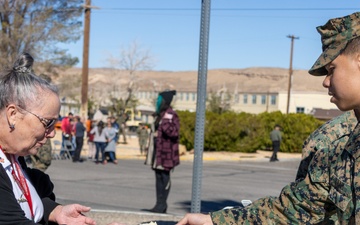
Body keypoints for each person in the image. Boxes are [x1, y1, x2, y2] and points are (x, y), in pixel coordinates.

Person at [176, 12, 360, 225]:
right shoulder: (345, 144)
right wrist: (214, 221)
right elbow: (297, 207)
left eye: (331, 69)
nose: (326, 82)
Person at [0, 52, 123, 225]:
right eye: (47, 122)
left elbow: (19, 197)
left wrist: (55, 211)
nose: (52, 133)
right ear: (13, 114)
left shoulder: (13, 158)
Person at [145, 90, 180, 213]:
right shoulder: (160, 114)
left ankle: (163, 204)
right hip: (157, 153)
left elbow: (174, 132)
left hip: (166, 155)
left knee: (165, 178)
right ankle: (158, 203)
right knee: (158, 179)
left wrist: (164, 123)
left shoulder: (171, 114)